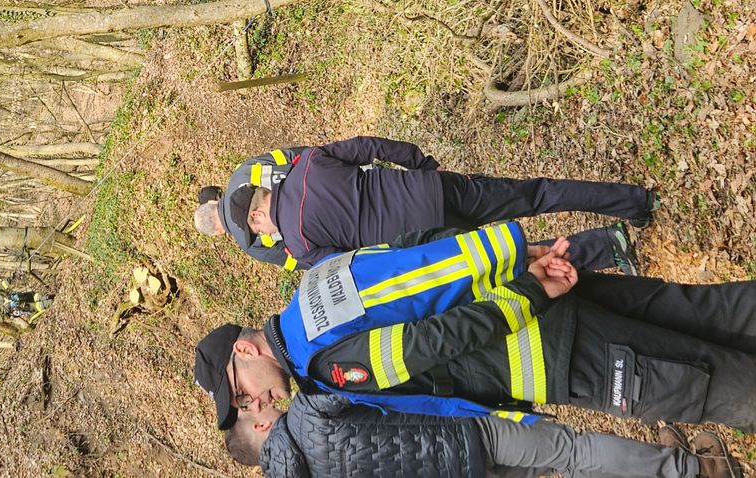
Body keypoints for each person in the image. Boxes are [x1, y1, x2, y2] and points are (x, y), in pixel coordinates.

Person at [194, 225, 756, 435]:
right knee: (706, 311)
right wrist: (517, 257)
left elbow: (438, 342)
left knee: (709, 386)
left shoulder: (325, 365)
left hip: (551, 349)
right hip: (545, 297)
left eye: (241, 393)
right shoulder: (314, 287)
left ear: (245, 350)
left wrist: (528, 290)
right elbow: (420, 257)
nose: (255, 404)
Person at [193, 136, 656, 271]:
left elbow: (357, 265)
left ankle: (607, 245)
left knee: (520, 256)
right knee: (537, 194)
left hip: (429, 241)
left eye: (259, 231)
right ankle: (633, 202)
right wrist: (423, 163)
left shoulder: (298, 244)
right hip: (433, 189)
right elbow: (370, 145)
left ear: (256, 215)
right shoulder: (308, 163)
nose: (264, 235)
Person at [227, 389, 739, 477]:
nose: (267, 402)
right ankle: (694, 469)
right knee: (573, 450)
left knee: (561, 466)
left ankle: (660, 468)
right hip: (463, 434)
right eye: (257, 410)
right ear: (263, 428)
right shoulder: (309, 415)